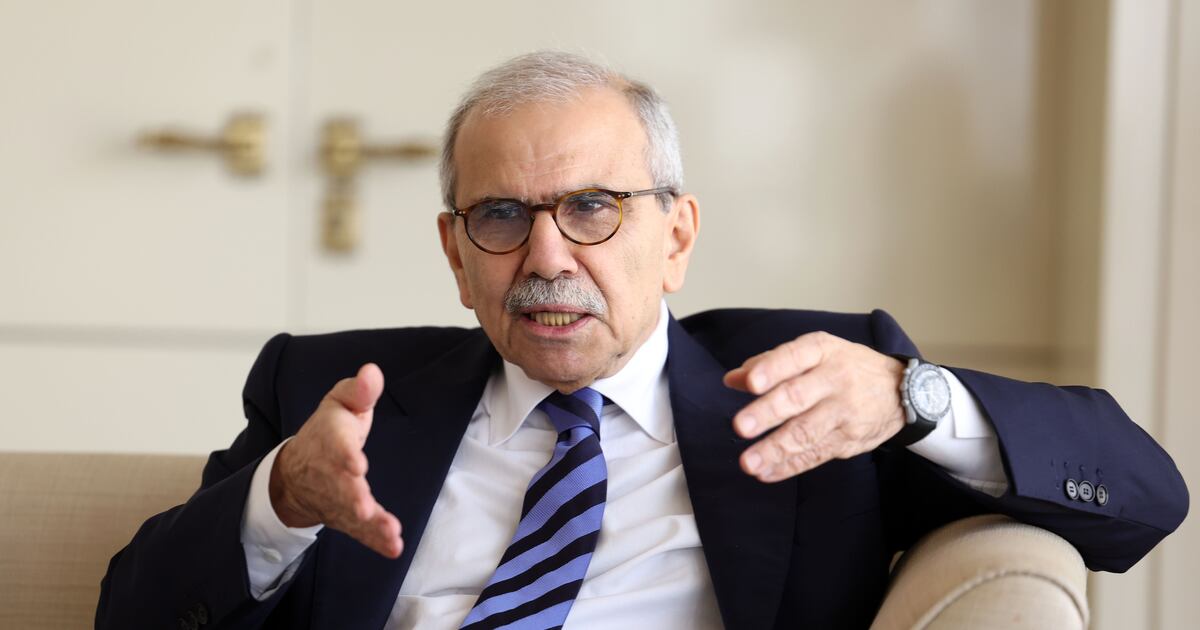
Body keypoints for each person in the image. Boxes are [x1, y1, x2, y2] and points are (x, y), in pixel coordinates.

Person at [97, 51, 1188, 630]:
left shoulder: (809, 390)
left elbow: (1143, 495)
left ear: (677, 236)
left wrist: (912, 397)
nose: (547, 257)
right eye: (500, 216)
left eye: (593, 207)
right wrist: (281, 500)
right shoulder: (338, 394)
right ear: (455, 253)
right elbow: (133, 613)